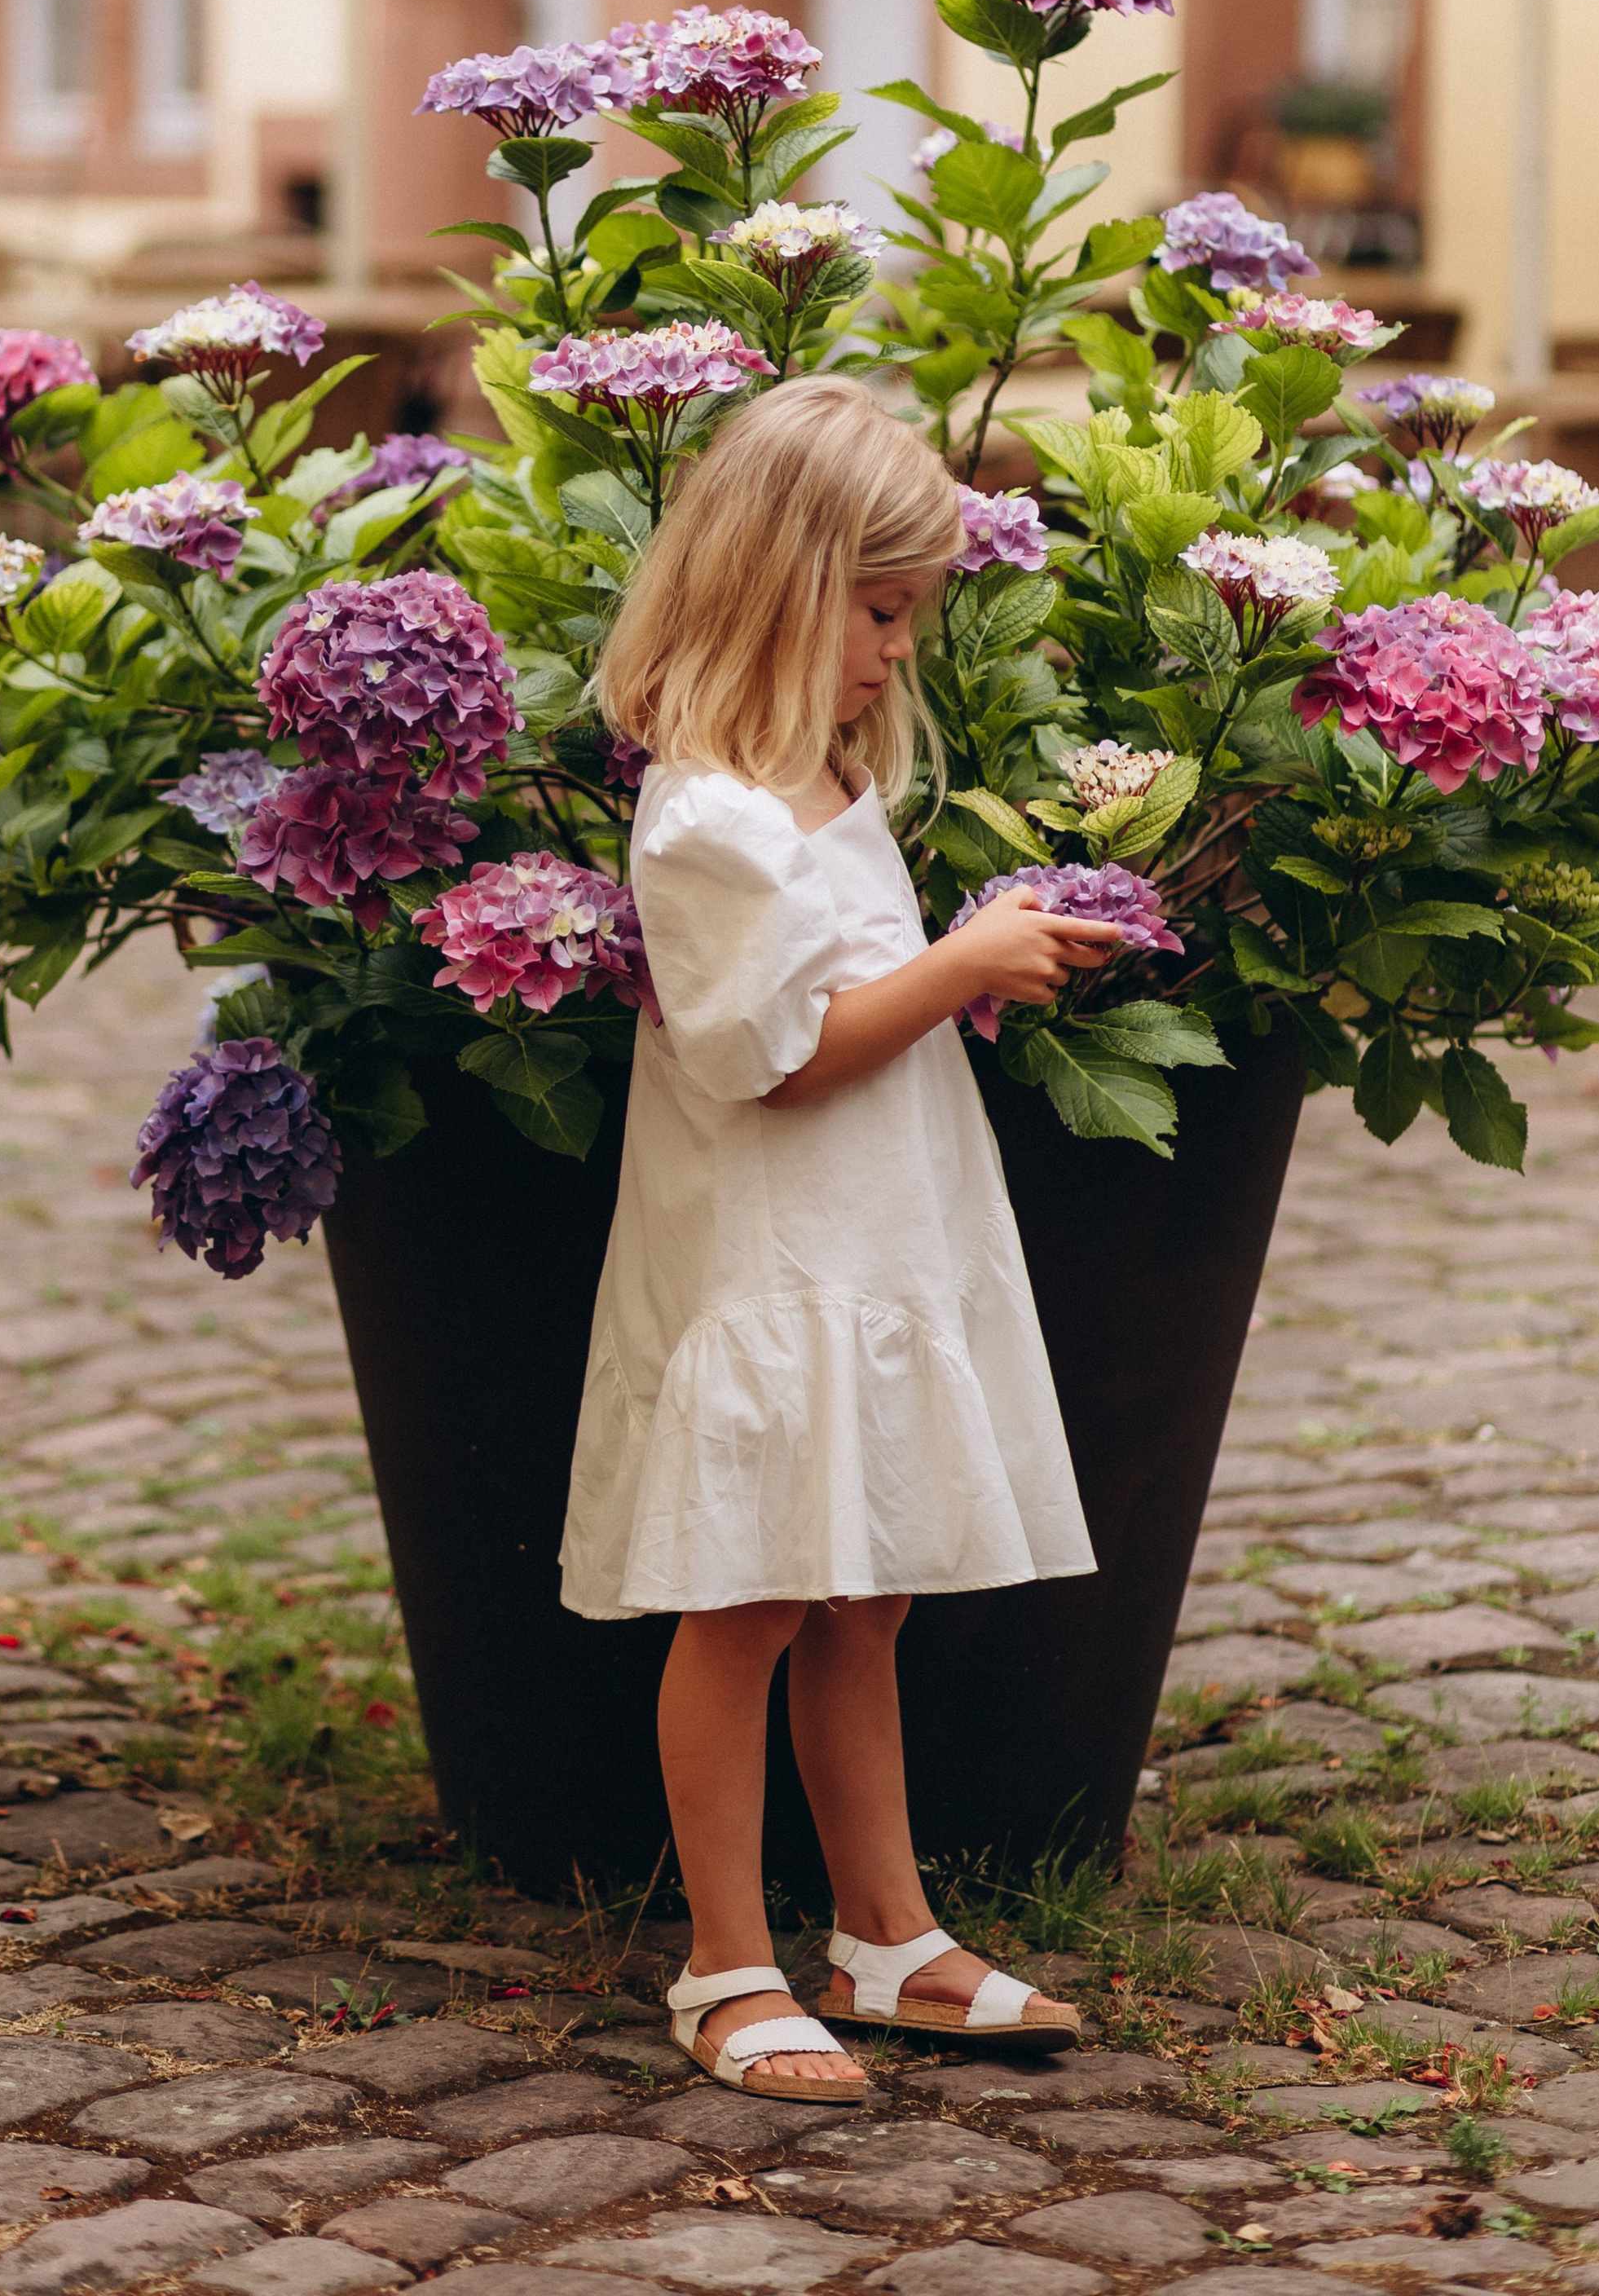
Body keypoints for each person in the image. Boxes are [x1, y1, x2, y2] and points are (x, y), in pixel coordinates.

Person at [562, 375, 1112, 2104]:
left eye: (909, 619)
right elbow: (773, 1056)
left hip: (860, 1253)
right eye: (877, 614)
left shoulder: (817, 788)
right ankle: (725, 1960)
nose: (895, 653)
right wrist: (958, 969)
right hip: (766, 1270)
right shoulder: (710, 820)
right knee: (747, 1595)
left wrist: (966, 954)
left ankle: (884, 1928)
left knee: (857, 1593)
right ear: (782, 593)